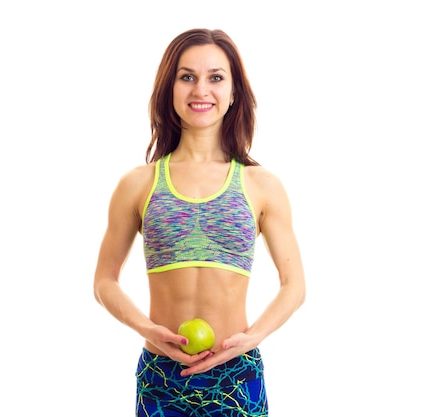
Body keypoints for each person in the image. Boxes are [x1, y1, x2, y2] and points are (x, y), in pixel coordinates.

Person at [93, 28, 305, 416]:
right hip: (161, 378)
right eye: (186, 76)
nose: (200, 90)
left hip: (236, 377)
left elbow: (294, 285)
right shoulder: (138, 184)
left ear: (234, 91)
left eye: (216, 77)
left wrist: (252, 337)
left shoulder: (262, 186)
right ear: (169, 88)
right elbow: (104, 281)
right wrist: (147, 329)